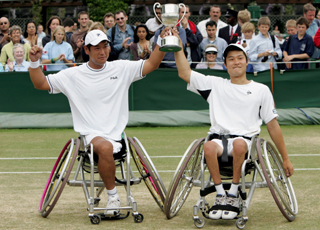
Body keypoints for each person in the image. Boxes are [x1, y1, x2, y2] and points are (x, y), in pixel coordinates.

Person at [28, 28, 169, 216]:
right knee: (103, 147)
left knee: (108, 147)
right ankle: (113, 197)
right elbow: (40, 84)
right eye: (96, 48)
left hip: (117, 136)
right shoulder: (73, 75)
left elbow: (153, 63)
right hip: (91, 136)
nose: (102, 52)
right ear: (86, 50)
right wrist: (34, 61)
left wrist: (163, 39)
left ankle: (113, 194)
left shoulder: (121, 68)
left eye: (105, 47)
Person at [172, 31, 294, 220]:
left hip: (245, 143)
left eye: (239, 58)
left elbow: (272, 125)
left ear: (246, 61)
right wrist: (178, 46)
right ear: (225, 64)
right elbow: (184, 73)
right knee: (208, 145)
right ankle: (221, 194)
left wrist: (285, 159)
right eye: (231, 59)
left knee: (238, 144)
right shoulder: (215, 84)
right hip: (219, 140)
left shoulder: (261, 90)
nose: (236, 62)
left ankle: (234, 192)